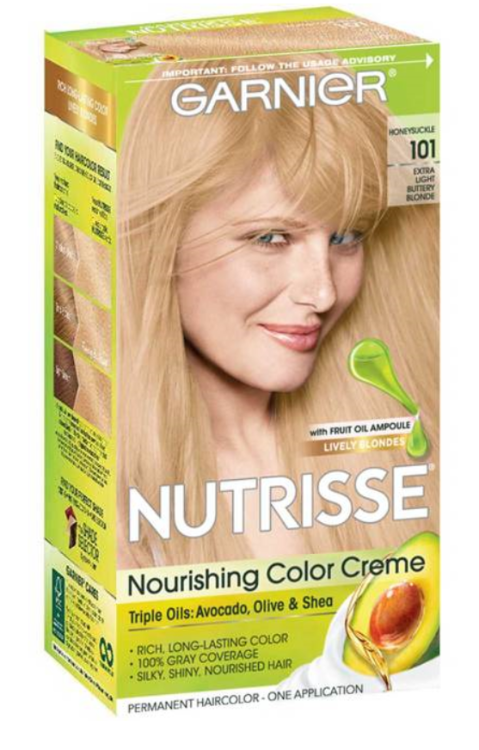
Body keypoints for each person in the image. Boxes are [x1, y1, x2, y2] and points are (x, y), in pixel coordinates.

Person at [117, 51, 439, 568]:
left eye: (346, 236)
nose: (323, 293)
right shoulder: (109, 506)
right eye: (270, 238)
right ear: (164, 240)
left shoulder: (416, 447)